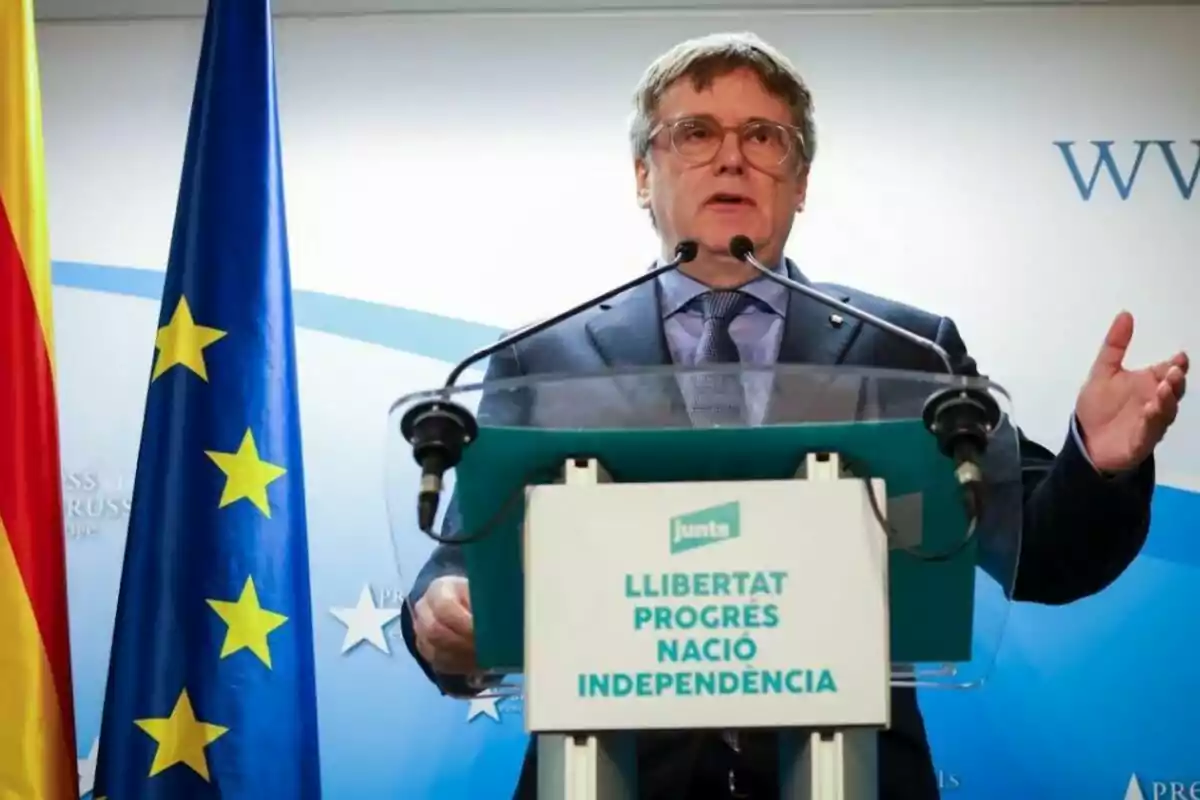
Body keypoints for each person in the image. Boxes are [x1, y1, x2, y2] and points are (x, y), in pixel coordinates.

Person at [400, 31, 1188, 800]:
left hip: (855, 775)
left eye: (764, 137)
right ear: (644, 174)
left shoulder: (907, 350)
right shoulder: (543, 358)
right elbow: (459, 569)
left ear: (800, 181)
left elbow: (1045, 552)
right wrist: (442, 615)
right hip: (608, 777)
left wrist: (1100, 460)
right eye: (694, 133)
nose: (731, 156)